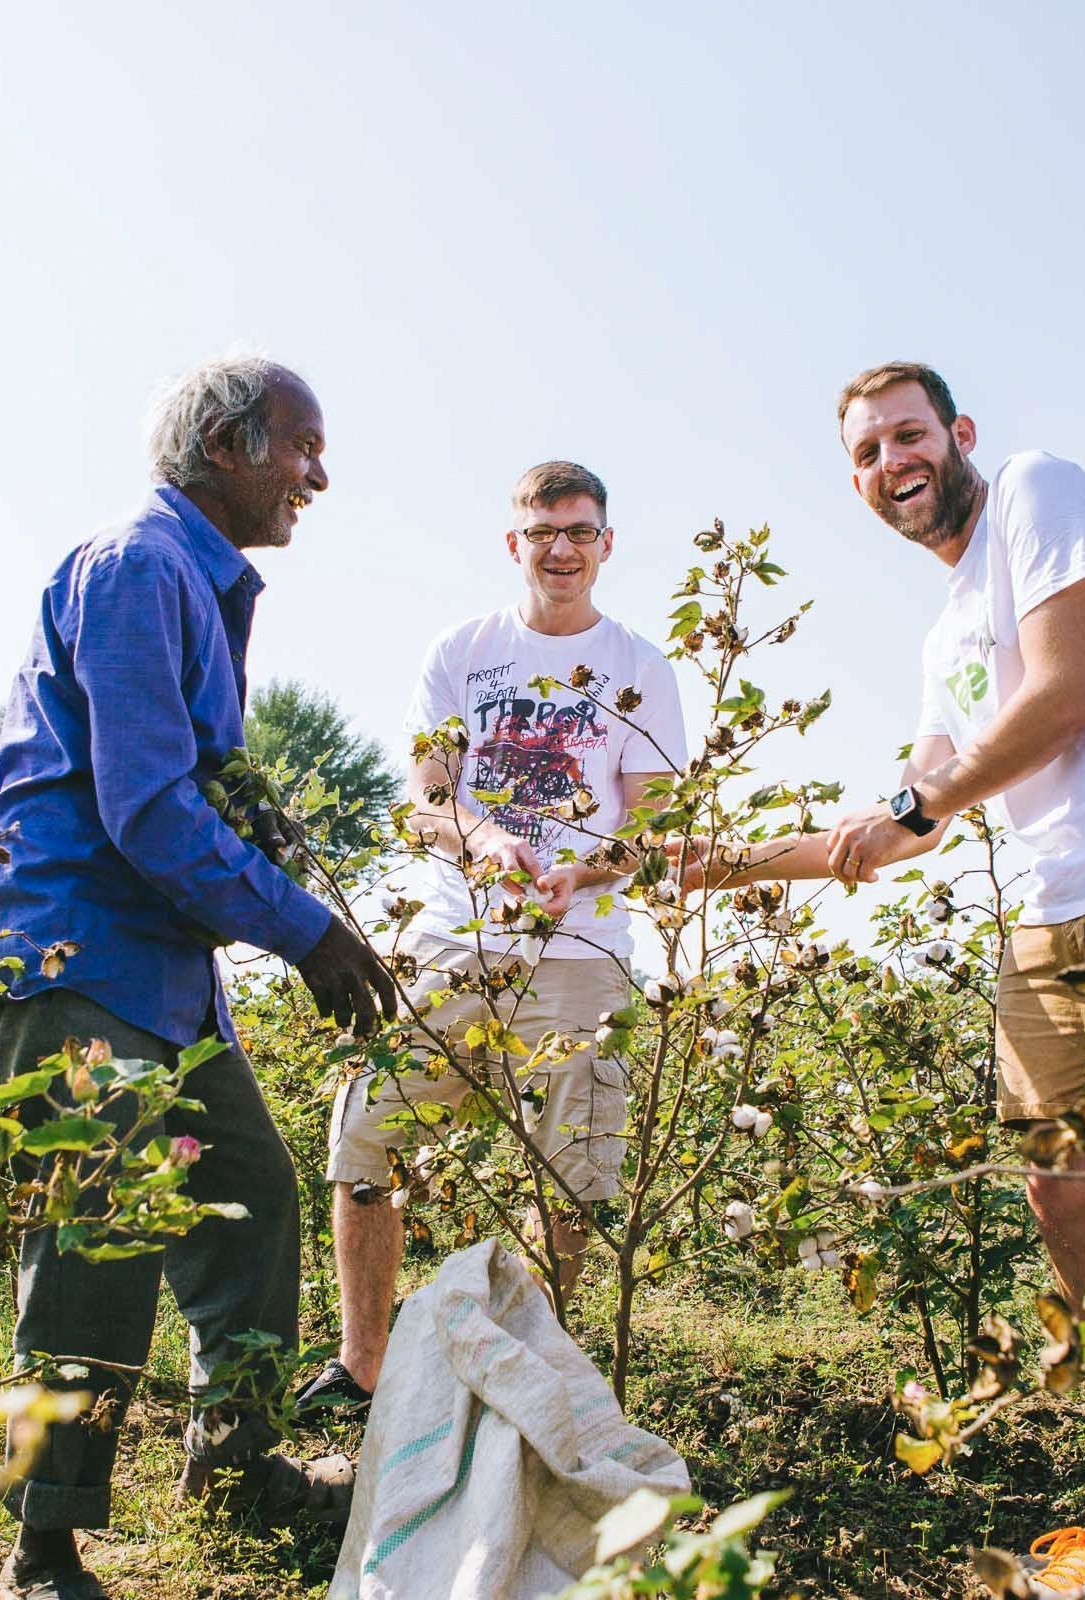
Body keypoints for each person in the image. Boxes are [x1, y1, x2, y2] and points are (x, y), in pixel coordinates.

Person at [678, 362, 1085, 1600]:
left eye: (909, 435)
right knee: (1062, 1193)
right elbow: (907, 823)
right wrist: (719, 864)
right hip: (1052, 904)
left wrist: (914, 803)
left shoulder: (1039, 493)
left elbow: (1061, 698)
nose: (891, 461)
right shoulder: (944, 632)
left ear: (959, 436)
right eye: (866, 451)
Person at [0, 354, 396, 1600]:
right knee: (96, 1238)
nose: (318, 475)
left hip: (160, 969)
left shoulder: (196, 587)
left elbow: (190, 790)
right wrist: (307, 930)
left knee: (248, 1194)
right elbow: (149, 807)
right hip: (79, 953)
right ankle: (42, 1550)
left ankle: (239, 1465)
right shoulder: (138, 567)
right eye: (302, 447)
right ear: (226, 444)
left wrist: (267, 844)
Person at [292, 459, 687, 1416]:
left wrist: (581, 873)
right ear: (515, 543)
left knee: (572, 1174)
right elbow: (427, 800)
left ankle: (523, 1383)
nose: (561, 550)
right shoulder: (462, 652)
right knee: (368, 1135)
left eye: (580, 532)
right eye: (542, 532)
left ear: (606, 543)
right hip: (453, 937)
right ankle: (362, 1369)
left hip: (582, 952)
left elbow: (652, 823)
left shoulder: (641, 667)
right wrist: (486, 840)